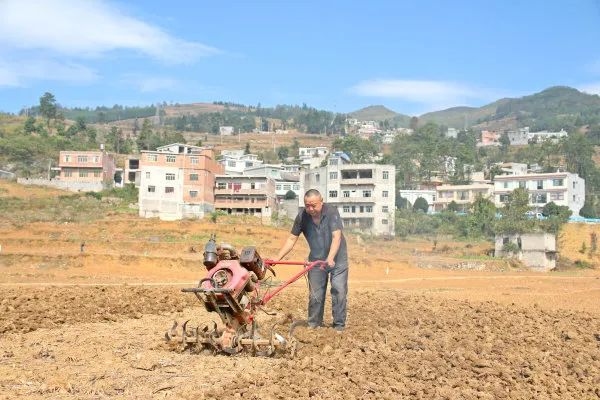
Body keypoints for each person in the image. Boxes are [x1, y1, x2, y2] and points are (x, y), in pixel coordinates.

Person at [274, 189, 348, 332]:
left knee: (339, 290)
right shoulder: (302, 216)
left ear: (321, 202)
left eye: (313, 205)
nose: (310, 209)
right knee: (315, 294)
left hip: (337, 259)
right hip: (316, 258)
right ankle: (314, 324)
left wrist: (330, 258)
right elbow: (291, 239)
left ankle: (339, 326)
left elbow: (336, 237)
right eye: (307, 205)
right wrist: (277, 258)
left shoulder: (331, 212)